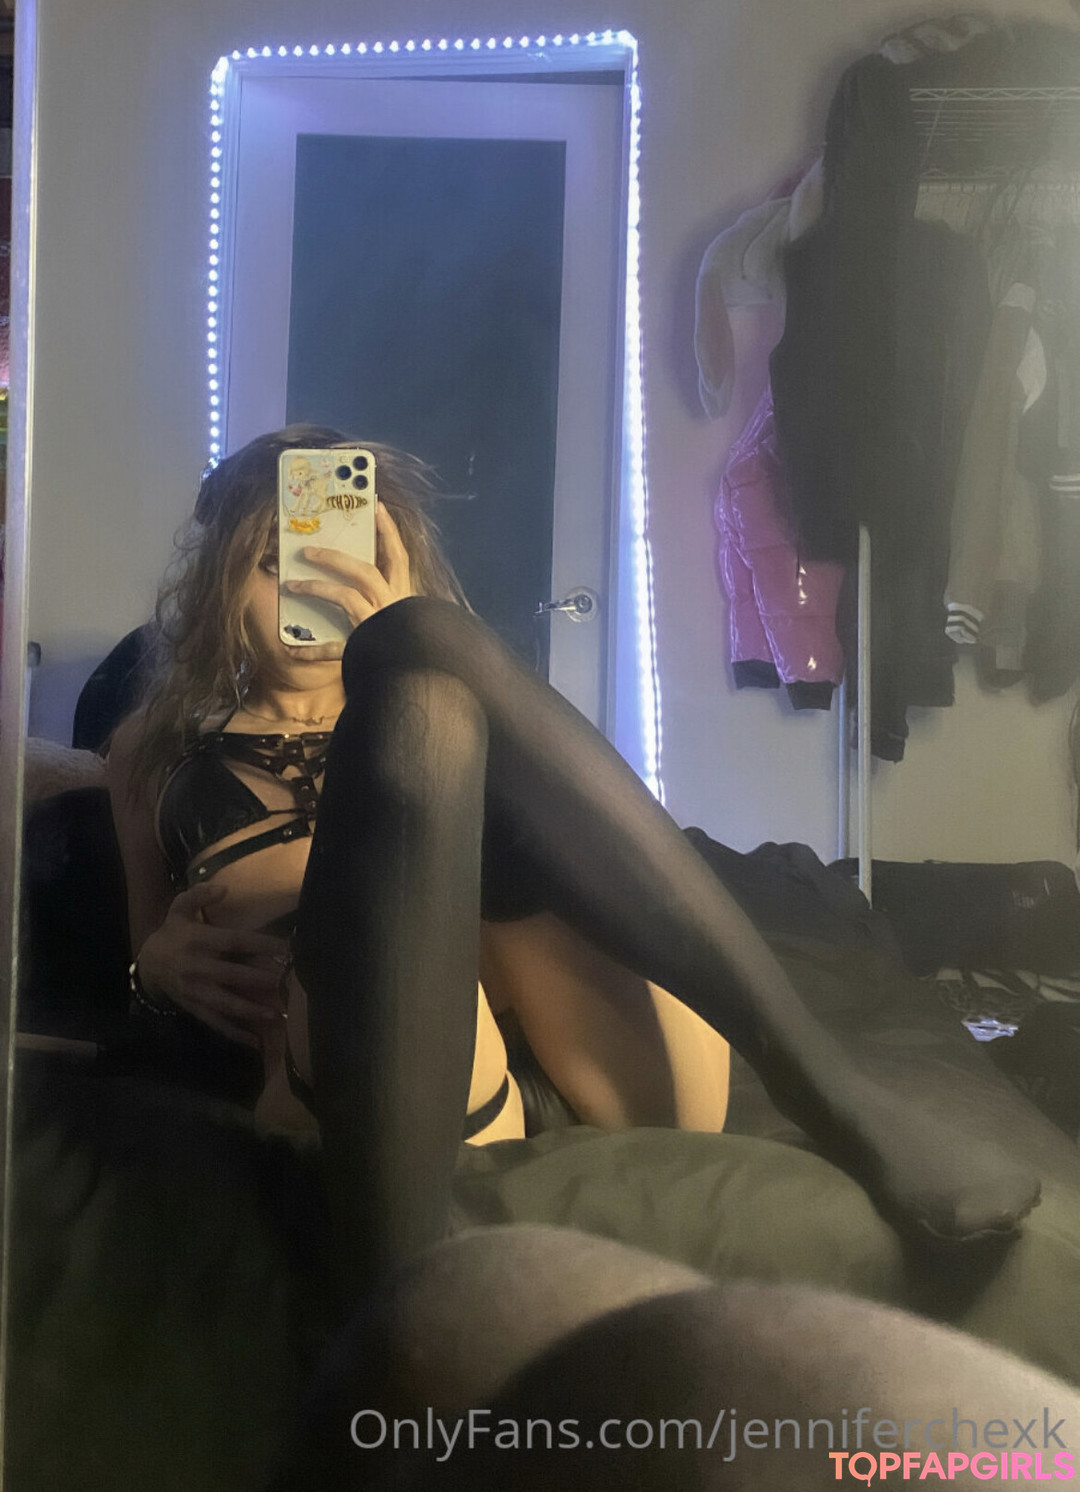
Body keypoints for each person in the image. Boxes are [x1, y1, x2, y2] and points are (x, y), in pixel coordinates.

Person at [107, 425, 1036, 1305]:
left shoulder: (456, 705)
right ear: (219, 582)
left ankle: (820, 1084)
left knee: (428, 688)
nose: (319, 590)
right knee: (423, 704)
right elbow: (140, 948)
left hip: (594, 1056)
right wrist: (152, 965)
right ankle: (818, 1085)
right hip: (382, 1068)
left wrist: (398, 640)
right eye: (279, 565)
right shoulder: (154, 745)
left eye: (348, 559)